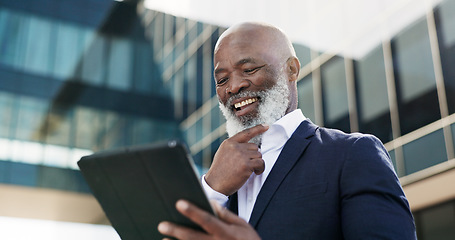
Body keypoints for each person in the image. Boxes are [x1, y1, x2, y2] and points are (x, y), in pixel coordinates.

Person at [158, 22, 417, 239]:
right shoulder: (216, 178)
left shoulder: (352, 154)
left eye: (248, 69)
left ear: (291, 69)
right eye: (222, 79)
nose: (233, 87)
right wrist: (213, 187)